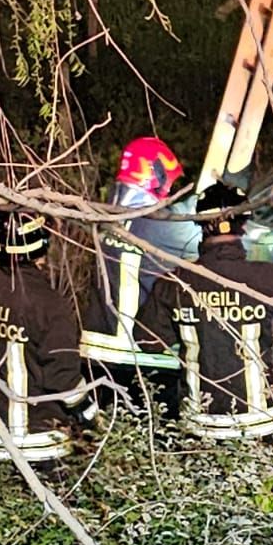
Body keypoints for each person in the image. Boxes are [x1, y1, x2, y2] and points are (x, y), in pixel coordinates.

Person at [133, 183, 273, 441]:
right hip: (264, 433)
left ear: (199, 224)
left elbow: (148, 341)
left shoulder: (175, 284)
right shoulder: (266, 279)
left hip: (200, 435)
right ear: (243, 225)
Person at [0, 210, 97, 465]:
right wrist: (91, 415)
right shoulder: (50, 305)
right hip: (40, 448)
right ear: (42, 248)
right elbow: (62, 378)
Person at [80, 137, 194, 412]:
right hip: (143, 358)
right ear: (155, 176)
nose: (169, 191)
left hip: (95, 355)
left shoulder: (106, 218)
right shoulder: (162, 228)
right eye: (168, 183)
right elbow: (207, 235)